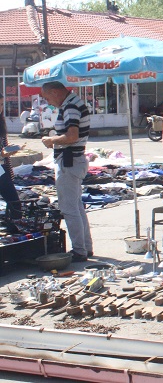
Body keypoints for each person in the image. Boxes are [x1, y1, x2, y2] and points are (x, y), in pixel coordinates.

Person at [40, 82, 93, 263]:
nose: (48, 102)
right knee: (76, 206)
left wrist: (51, 140)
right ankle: (85, 246)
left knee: (69, 208)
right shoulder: (73, 103)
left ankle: (79, 250)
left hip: (69, 161)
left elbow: (72, 136)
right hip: (74, 160)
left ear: (55, 92)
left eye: (47, 98)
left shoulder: (70, 106)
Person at [0, 92, 21, 222]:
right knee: (15, 203)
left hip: (2, 168)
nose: (0, 108)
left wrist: (9, 150)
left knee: (15, 204)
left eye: (2, 105)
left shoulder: (1, 122)